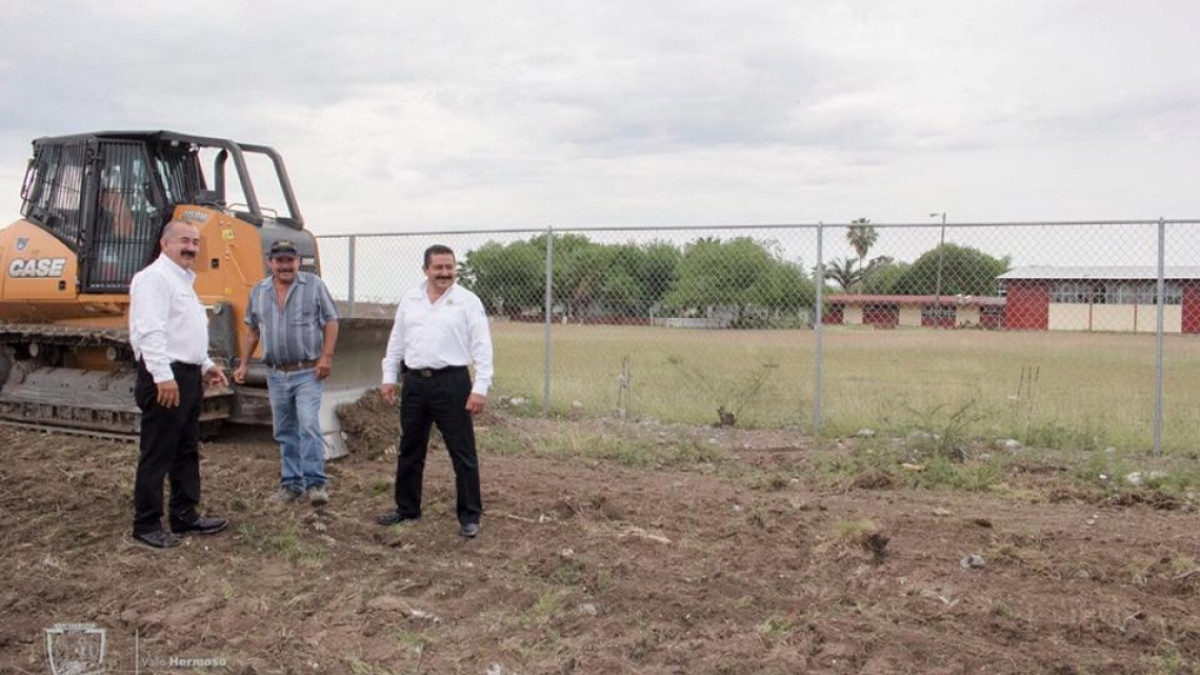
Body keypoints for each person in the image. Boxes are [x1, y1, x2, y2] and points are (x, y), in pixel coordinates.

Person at [376, 244, 494, 538]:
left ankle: (470, 515)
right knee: (410, 449)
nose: (445, 273)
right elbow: (397, 341)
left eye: (449, 267)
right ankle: (407, 508)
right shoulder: (411, 299)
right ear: (425, 270)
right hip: (415, 383)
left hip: (452, 383)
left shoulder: (467, 301)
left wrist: (480, 388)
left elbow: (482, 346)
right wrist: (389, 377)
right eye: (438, 267)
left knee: (462, 452)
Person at [128, 219, 230, 549]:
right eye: (184, 241)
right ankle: (146, 524)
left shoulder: (182, 281)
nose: (191, 248)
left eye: (195, 242)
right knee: (158, 452)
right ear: (165, 243)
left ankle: (185, 515)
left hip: (186, 376)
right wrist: (162, 376)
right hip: (166, 378)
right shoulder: (155, 279)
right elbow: (150, 331)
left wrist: (206, 364)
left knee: (186, 450)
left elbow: (183, 333)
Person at [233, 240, 340, 505]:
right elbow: (253, 331)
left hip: (307, 372)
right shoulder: (258, 291)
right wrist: (244, 364)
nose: (285, 266)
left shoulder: (314, 286)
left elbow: (331, 320)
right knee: (284, 430)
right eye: (279, 261)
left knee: (309, 425)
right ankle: (291, 484)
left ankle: (316, 484)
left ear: (298, 262)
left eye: (289, 261)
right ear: (270, 263)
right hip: (276, 374)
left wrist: (326, 357)